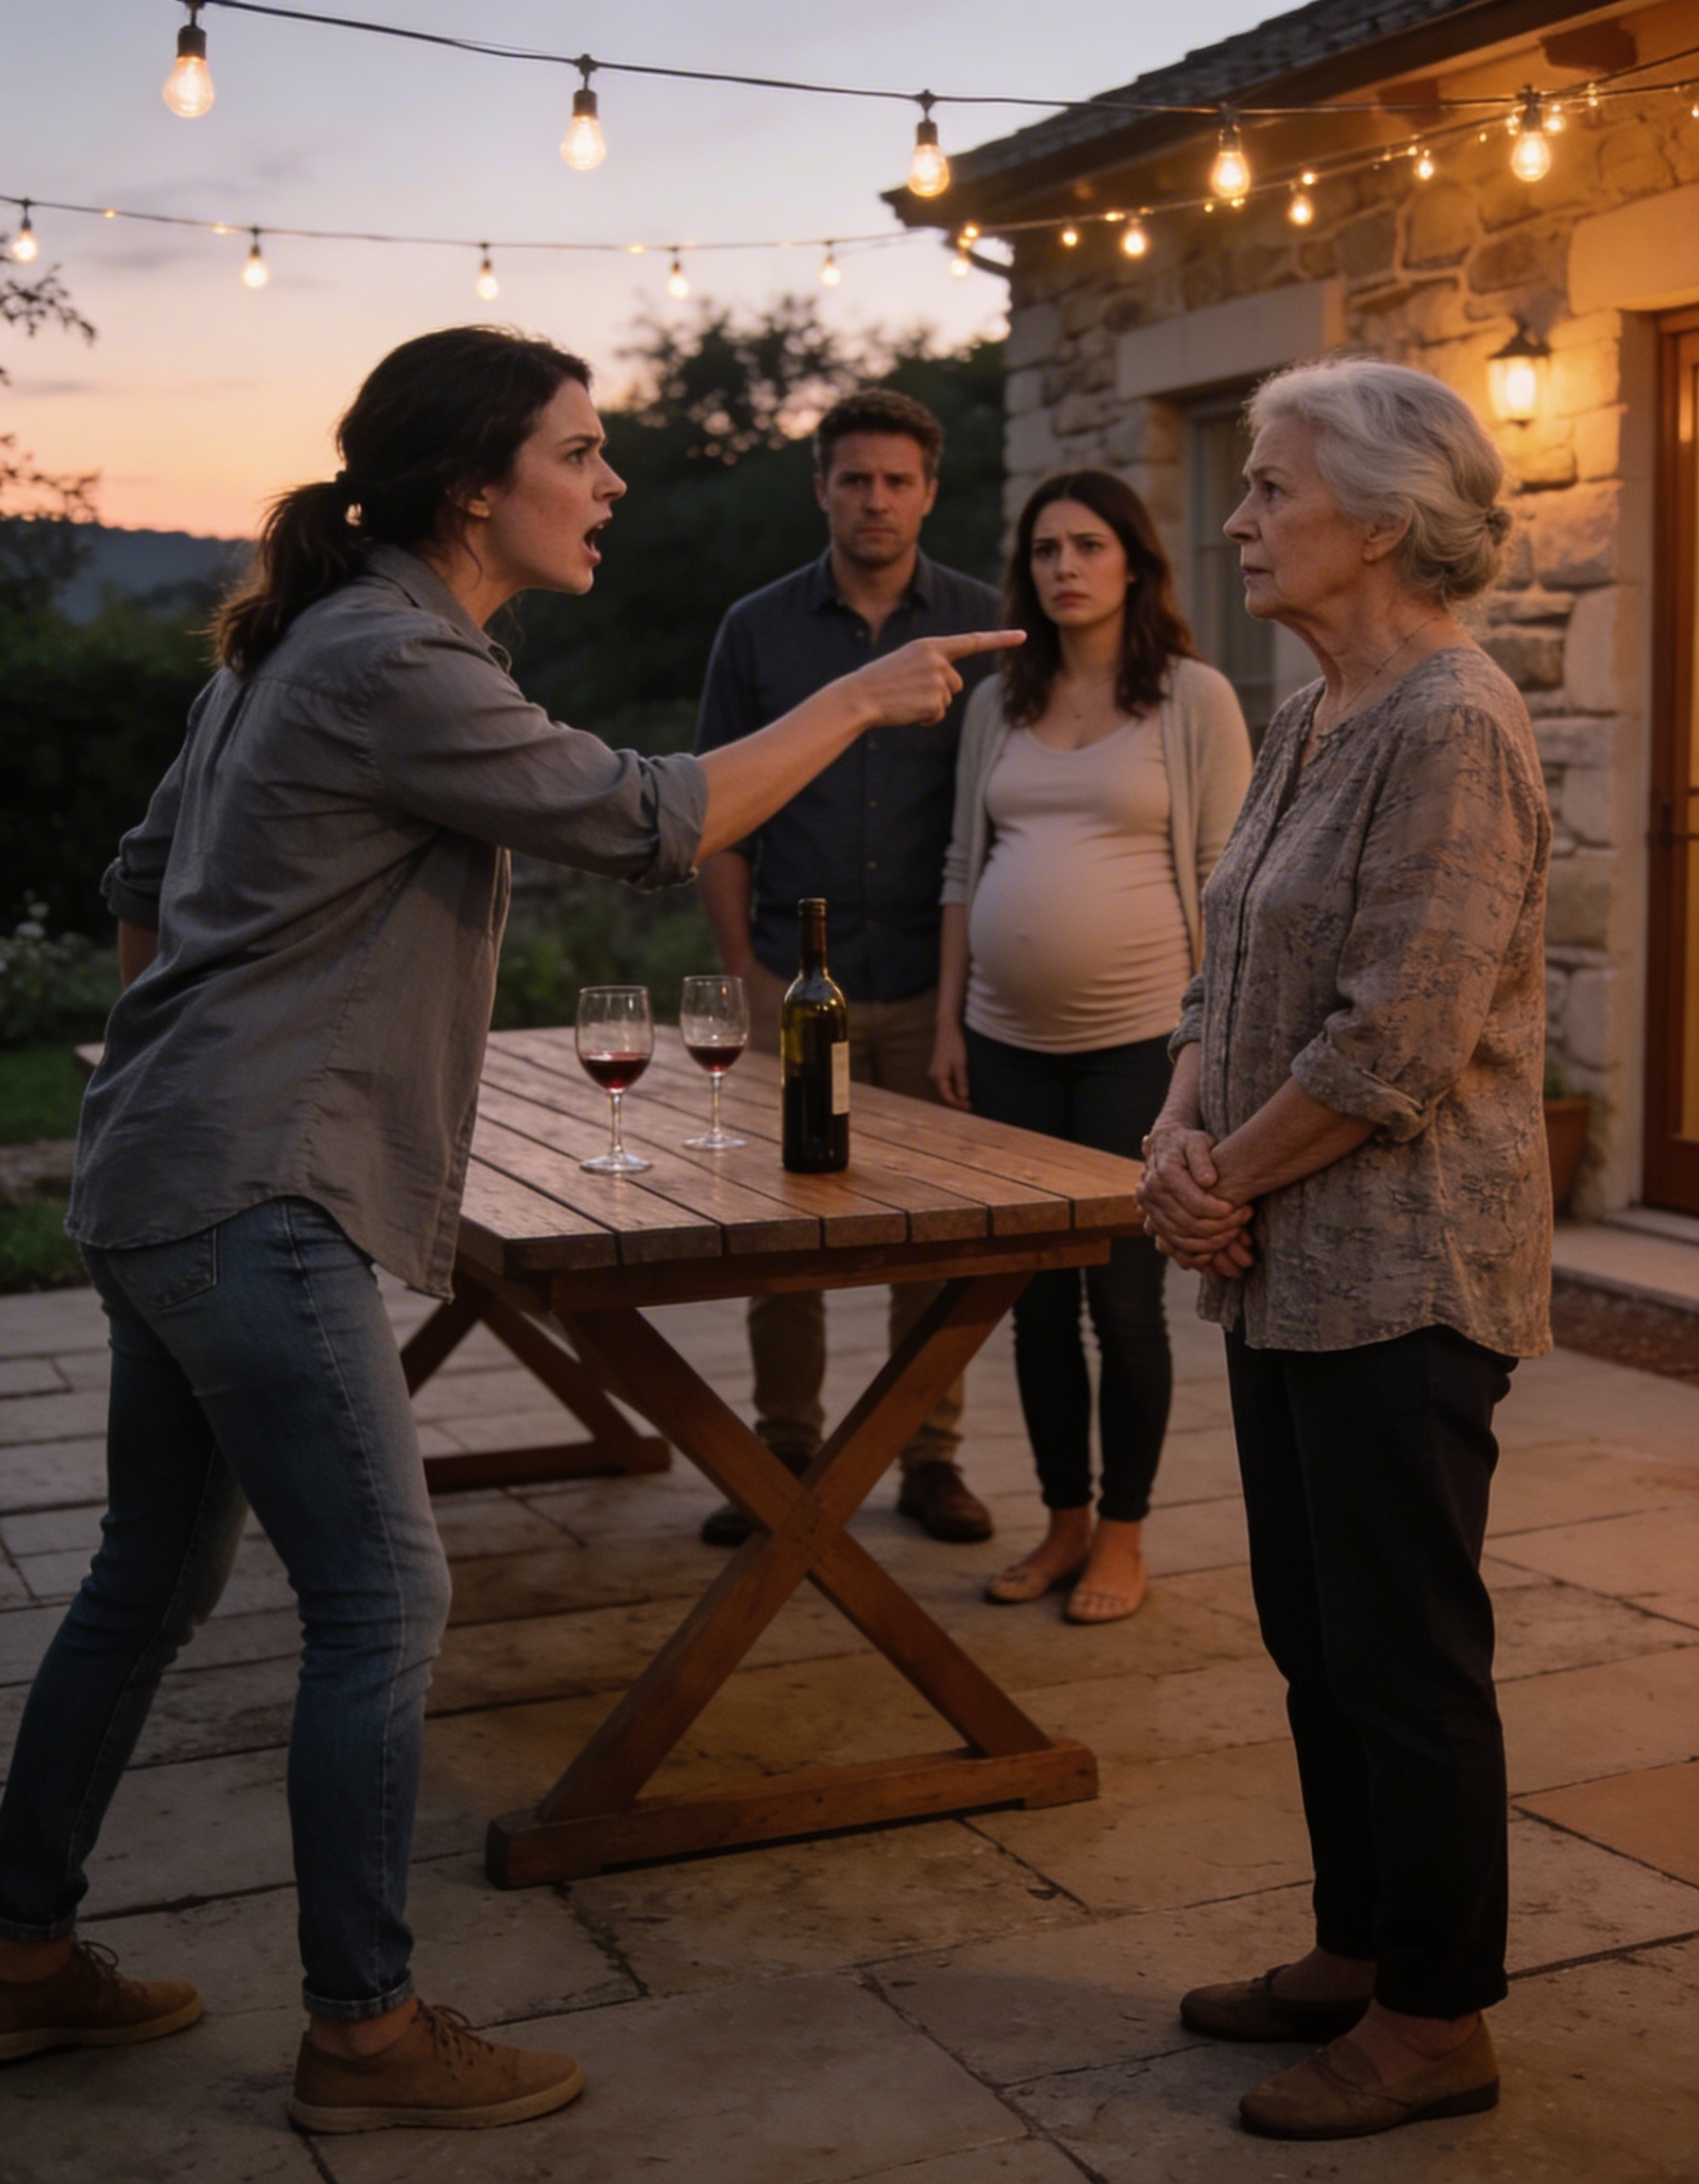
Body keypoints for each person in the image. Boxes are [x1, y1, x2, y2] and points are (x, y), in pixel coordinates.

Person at [0, 327, 1020, 2133]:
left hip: (166, 1170)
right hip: (257, 1190)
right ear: (476, 484)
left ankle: (19, 1948)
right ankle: (363, 2032)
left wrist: (183, 1058)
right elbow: (648, 817)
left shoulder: (299, 640)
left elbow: (143, 879)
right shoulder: (390, 654)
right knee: (381, 1598)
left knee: (145, 1578)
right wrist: (862, 698)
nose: (611, 479)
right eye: (579, 448)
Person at [1136, 356, 1550, 2143]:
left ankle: (1436, 2012)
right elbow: (1225, 968)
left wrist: (1213, 1176)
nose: (1236, 519)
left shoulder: (1453, 723)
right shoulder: (1313, 711)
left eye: (1270, 487)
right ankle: (1359, 1943)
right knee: (1317, 1632)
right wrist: (1179, 1130)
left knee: (1403, 1649)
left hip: (1402, 1269)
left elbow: (1401, 1034)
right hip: (1275, 1257)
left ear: (1381, 520)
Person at [929, 470, 1250, 1623]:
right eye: (1045, 549)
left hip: (1139, 1049)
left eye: (1088, 545)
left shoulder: (1193, 698)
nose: (1065, 566)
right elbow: (961, 869)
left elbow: (1229, 882)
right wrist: (949, 1021)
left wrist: (1208, 1057)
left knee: (1123, 1307)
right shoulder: (996, 703)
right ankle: (1062, 1523)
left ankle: (1123, 1535)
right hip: (1004, 1043)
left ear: (1132, 562)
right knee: (1034, 1307)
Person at [693, 388, 1004, 1549]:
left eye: (896, 480)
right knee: (787, 1236)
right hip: (793, 984)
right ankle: (781, 1456)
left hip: (934, 990)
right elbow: (717, 812)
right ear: (820, 487)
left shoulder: (982, 626)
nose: (876, 499)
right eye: (855, 478)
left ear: (929, 493)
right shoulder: (756, 630)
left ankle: (927, 1457)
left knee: (933, 1235)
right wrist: (741, 967)